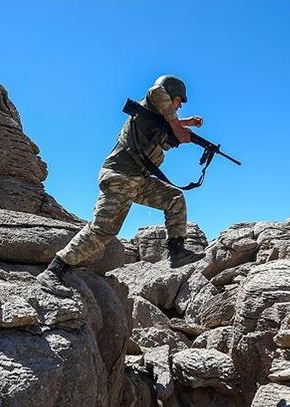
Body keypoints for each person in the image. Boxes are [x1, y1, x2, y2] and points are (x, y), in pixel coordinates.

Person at [37, 75, 205, 294]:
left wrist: (185, 124)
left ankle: (177, 251)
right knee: (103, 230)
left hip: (138, 181)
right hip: (119, 177)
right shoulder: (152, 103)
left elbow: (166, 126)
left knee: (174, 198)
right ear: (171, 94)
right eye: (179, 101)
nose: (180, 105)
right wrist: (177, 125)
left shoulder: (158, 121)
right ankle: (54, 271)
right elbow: (156, 92)